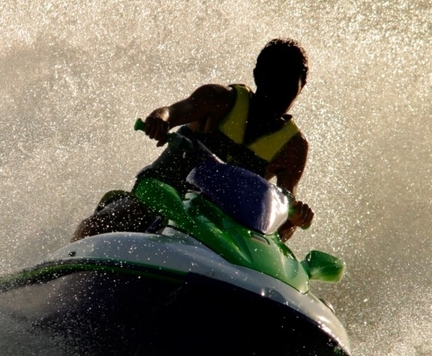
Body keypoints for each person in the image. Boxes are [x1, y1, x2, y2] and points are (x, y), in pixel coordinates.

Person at [73, 38, 316, 242]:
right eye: (275, 81)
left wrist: (295, 219)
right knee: (102, 225)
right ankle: (66, 266)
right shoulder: (219, 99)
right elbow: (172, 112)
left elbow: (284, 214)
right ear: (258, 76)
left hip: (218, 227)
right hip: (162, 195)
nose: (279, 93)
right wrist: (160, 119)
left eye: (289, 86)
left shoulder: (293, 147)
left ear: (301, 87)